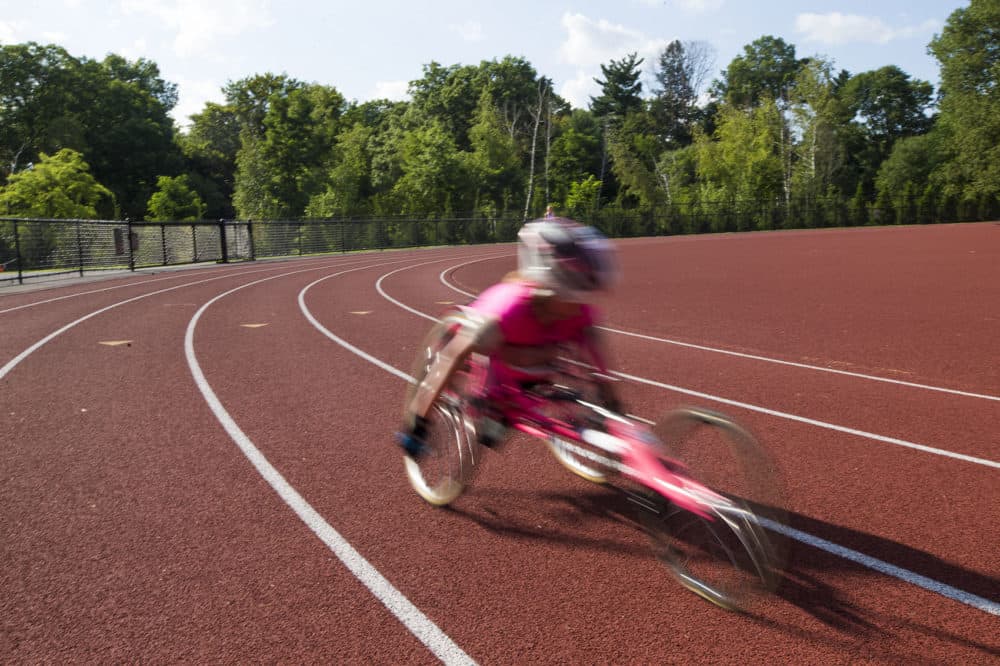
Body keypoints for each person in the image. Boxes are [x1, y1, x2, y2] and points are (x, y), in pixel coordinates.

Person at [398, 217, 622, 457]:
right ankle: (442, 419)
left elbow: (597, 363)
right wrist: (419, 423)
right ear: (551, 283)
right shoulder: (506, 308)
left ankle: (500, 414)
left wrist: (612, 403)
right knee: (490, 418)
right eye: (576, 291)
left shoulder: (581, 313)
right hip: (496, 363)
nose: (582, 303)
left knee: (494, 430)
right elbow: (451, 355)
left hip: (534, 365)